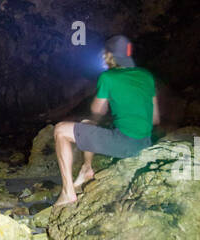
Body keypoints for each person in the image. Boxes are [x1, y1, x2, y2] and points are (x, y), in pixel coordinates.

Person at [53, 34, 159, 207]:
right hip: (145, 143)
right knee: (88, 124)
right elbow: (155, 119)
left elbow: (97, 110)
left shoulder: (108, 77)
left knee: (60, 130)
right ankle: (87, 169)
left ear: (109, 55)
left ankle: (68, 193)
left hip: (125, 144)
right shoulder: (146, 76)